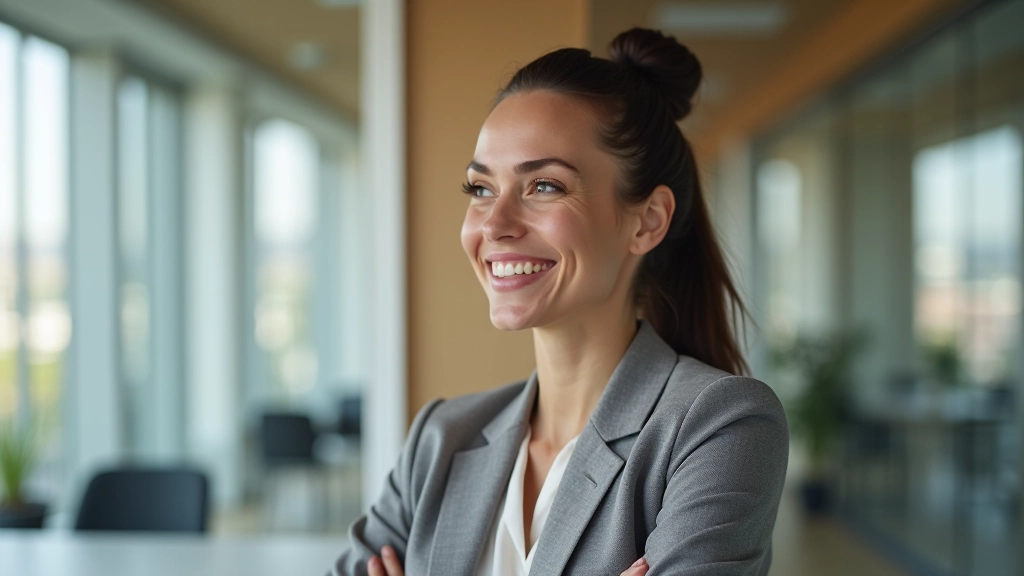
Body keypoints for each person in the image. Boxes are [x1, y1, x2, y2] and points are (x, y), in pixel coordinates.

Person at [329, 27, 789, 576]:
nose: (494, 224)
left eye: (544, 185)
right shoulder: (442, 436)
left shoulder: (720, 426)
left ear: (647, 221)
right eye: (480, 189)